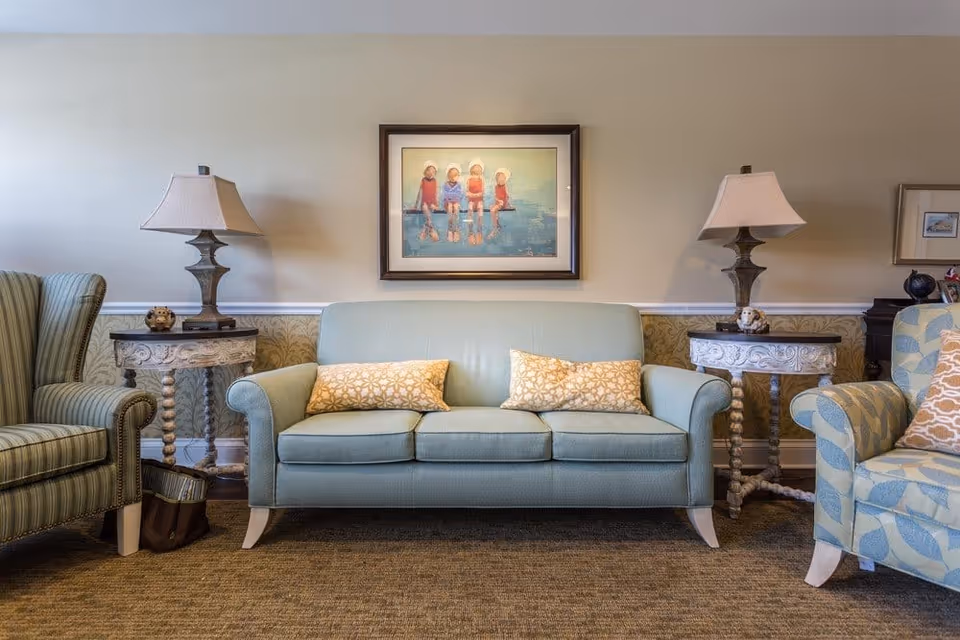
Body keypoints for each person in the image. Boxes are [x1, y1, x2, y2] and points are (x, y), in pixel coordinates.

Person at [415, 160, 440, 242]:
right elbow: (420, 192)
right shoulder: (423, 180)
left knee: (430, 209)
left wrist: (437, 204)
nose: (431, 172)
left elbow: (436, 193)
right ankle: (431, 229)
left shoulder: (435, 181)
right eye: (429, 170)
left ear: (435, 173)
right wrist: (416, 205)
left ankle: (425, 230)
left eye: (433, 171)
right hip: (424, 202)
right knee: (425, 208)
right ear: (425, 172)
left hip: (432, 202)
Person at [441, 163, 464, 243]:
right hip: (448, 203)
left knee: (456, 206)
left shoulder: (459, 185)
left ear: (458, 176)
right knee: (450, 206)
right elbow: (445, 195)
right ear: (448, 176)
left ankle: (456, 228)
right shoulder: (445, 185)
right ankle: (450, 229)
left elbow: (459, 195)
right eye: (451, 175)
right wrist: (451, 198)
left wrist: (454, 198)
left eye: (455, 175)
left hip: (456, 202)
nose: (453, 177)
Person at [465, 160, 485, 245]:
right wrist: (473, 195)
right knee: (470, 210)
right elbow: (467, 192)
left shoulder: (482, 179)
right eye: (475, 167)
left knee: (480, 211)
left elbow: (482, 192)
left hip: (479, 200)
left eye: (479, 167)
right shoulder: (469, 180)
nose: (477, 168)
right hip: (471, 200)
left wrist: (476, 195)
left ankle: (479, 231)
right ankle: (470, 232)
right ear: (472, 169)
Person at [488, 168, 510, 240]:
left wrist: (507, 204)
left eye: (502, 179)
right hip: (498, 202)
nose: (501, 180)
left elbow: (507, 196)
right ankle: (497, 224)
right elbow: (496, 196)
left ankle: (494, 229)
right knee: (492, 207)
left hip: (502, 203)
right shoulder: (496, 187)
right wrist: (497, 200)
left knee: (493, 210)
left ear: (505, 179)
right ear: (497, 179)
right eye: (499, 178)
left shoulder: (505, 187)